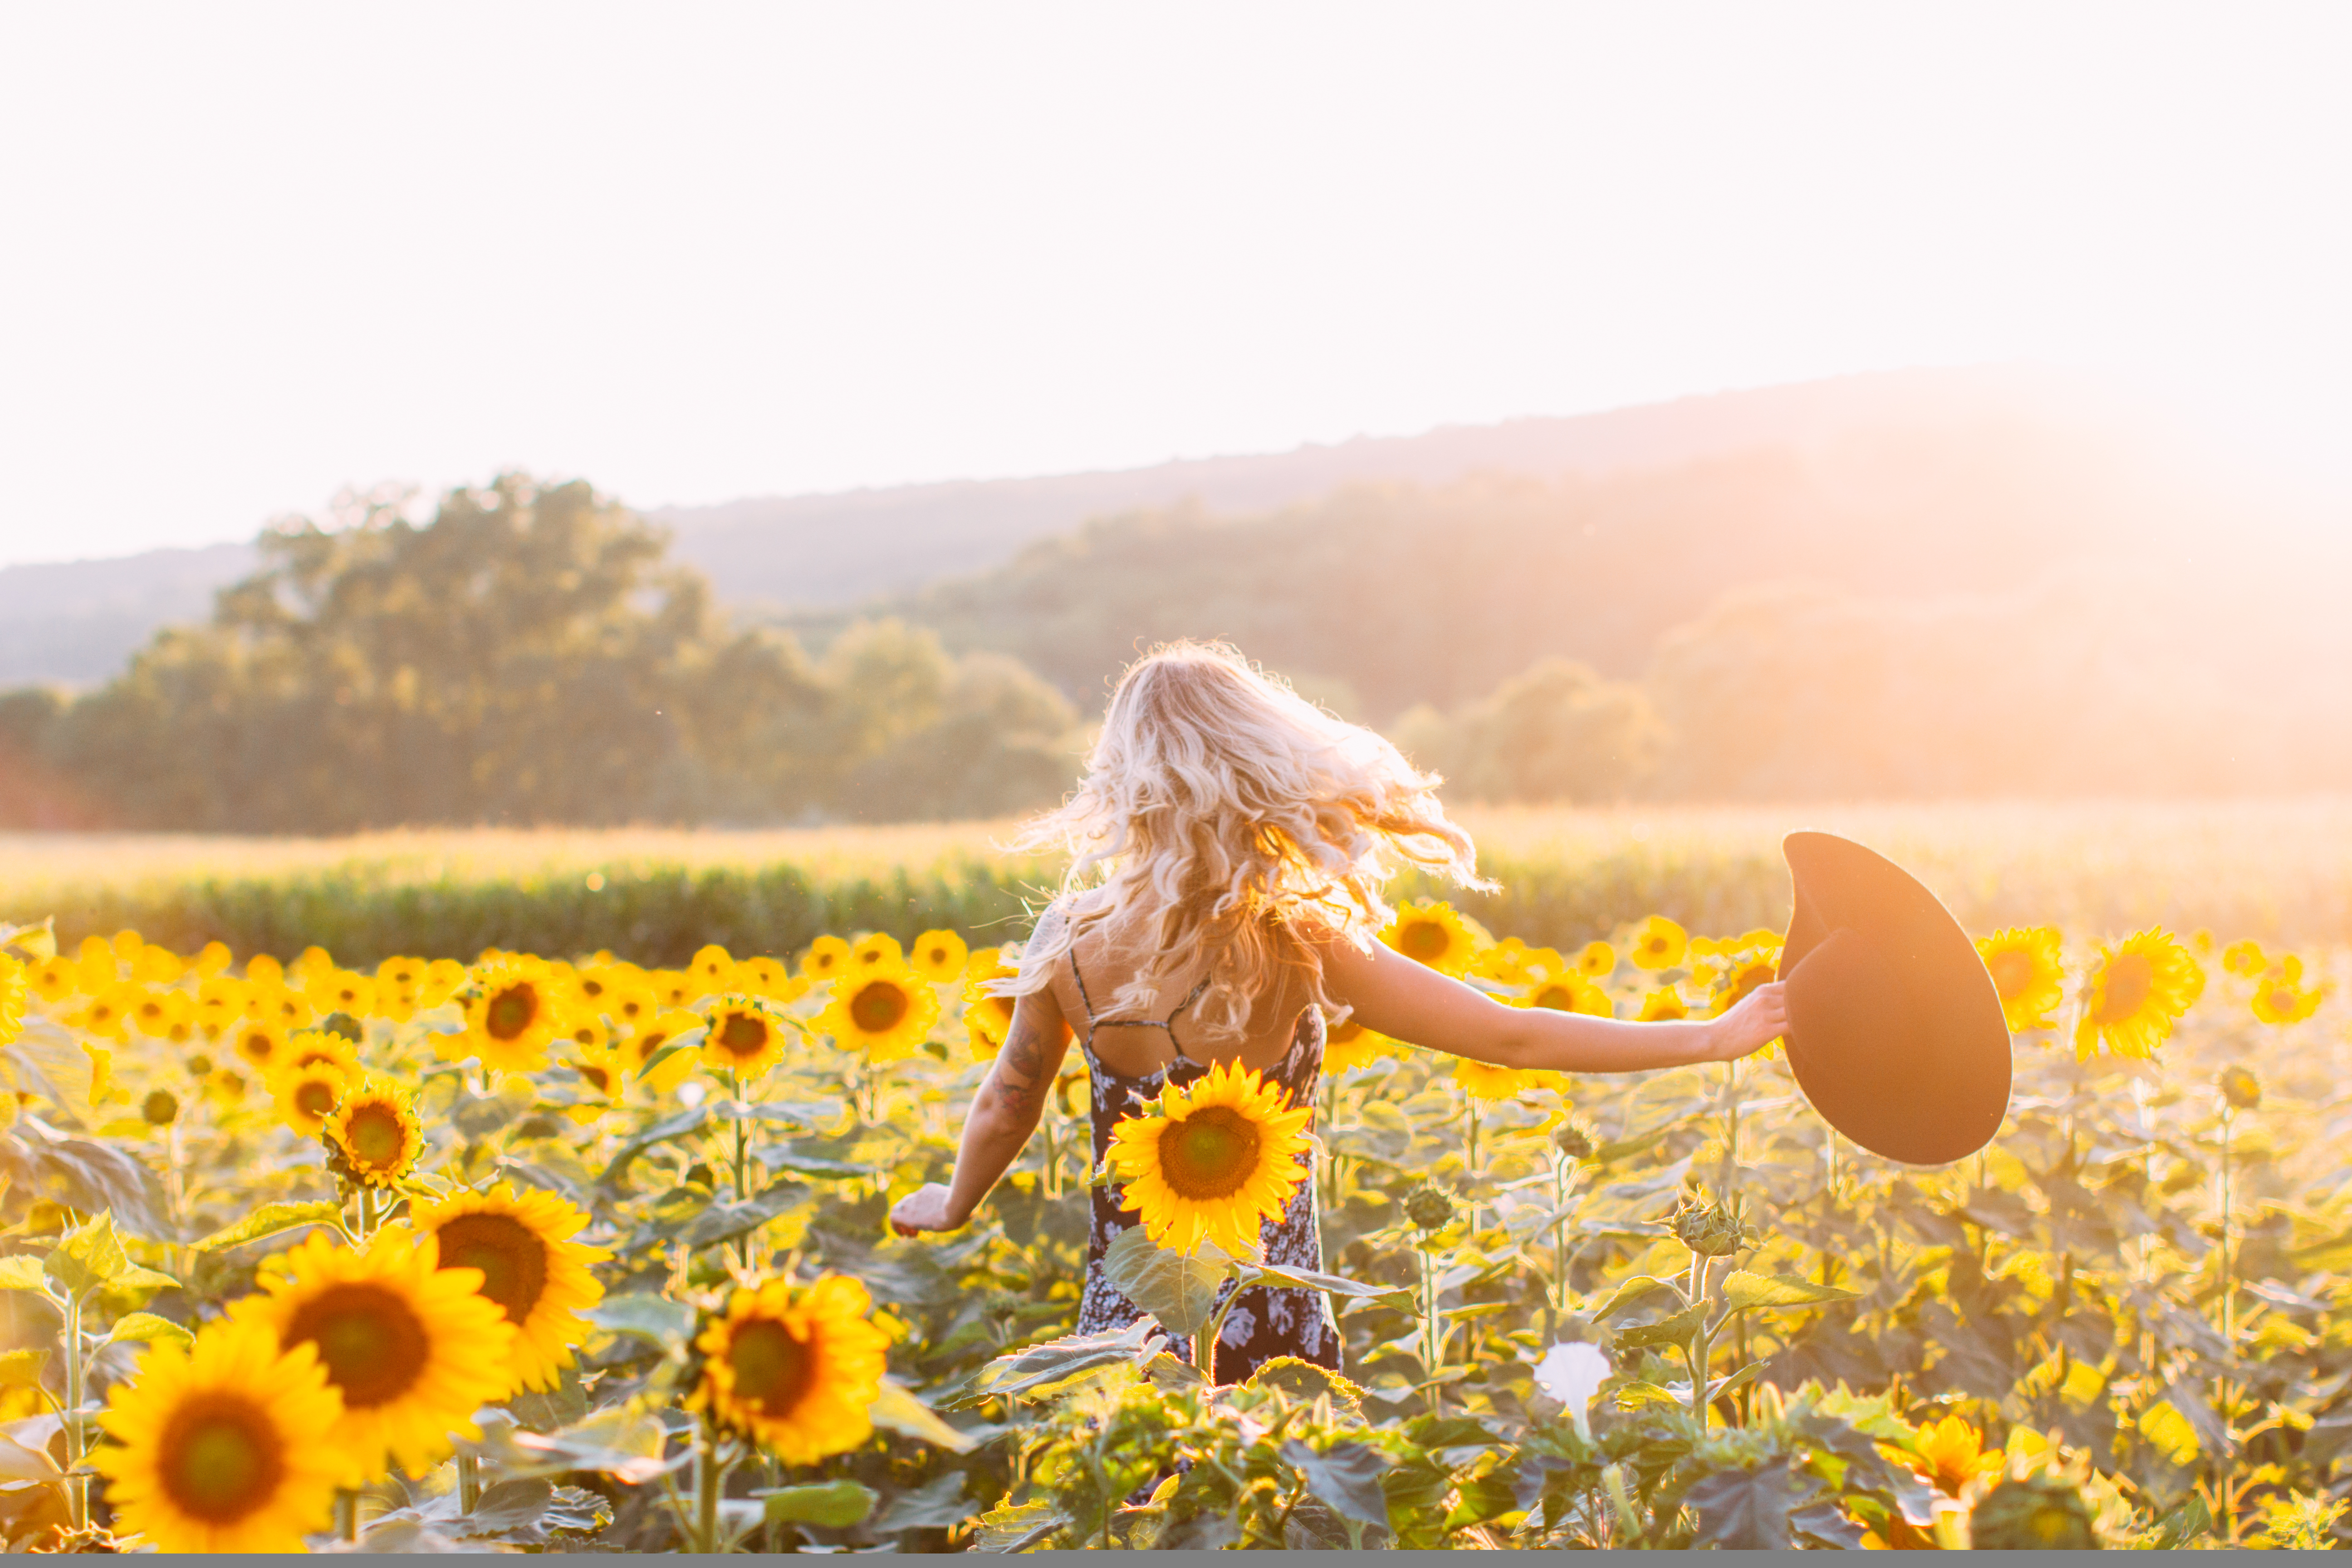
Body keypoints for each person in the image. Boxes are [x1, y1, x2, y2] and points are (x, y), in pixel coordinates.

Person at [887, 641, 1785, 1384]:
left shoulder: (1070, 935)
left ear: (1124, 779)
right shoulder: (1295, 934)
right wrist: (1710, 1038)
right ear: (1257, 763)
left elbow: (1010, 1098)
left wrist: (954, 1202)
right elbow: (1505, 1034)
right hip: (1273, 1321)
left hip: (1127, 1328)